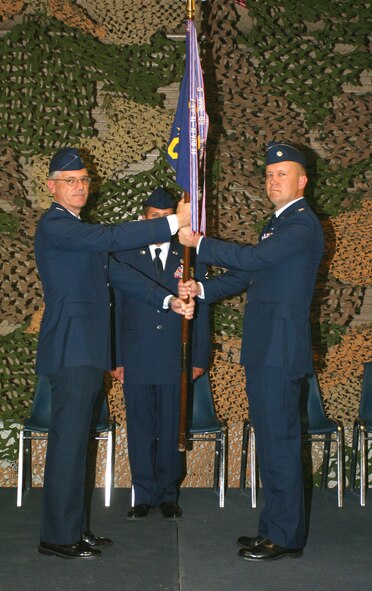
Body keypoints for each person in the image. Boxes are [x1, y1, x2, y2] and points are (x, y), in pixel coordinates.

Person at [34, 147, 193, 559]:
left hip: (86, 351)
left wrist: (167, 301)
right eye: (70, 181)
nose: (80, 186)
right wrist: (174, 221)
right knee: (67, 446)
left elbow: (120, 273)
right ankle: (58, 536)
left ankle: (73, 528)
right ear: (52, 187)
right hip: (72, 349)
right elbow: (111, 239)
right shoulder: (56, 225)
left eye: (84, 179)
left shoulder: (79, 233)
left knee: (76, 444)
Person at [178, 141, 324, 561]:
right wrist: (202, 288)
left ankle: (286, 537)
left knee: (279, 440)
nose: (274, 180)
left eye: (283, 174)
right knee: (272, 440)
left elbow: (255, 260)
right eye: (270, 175)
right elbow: (246, 273)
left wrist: (200, 243)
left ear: (302, 181)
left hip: (279, 349)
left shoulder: (300, 224)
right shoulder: (276, 224)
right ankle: (273, 528)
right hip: (265, 349)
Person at [110, 187, 211, 520]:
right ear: (144, 219)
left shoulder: (189, 255)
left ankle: (168, 493)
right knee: (140, 427)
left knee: (172, 425)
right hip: (136, 355)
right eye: (154, 218)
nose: (160, 223)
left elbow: (203, 309)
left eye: (168, 218)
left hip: (175, 355)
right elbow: (117, 309)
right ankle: (142, 493)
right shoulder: (125, 255)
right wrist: (116, 358)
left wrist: (198, 358)